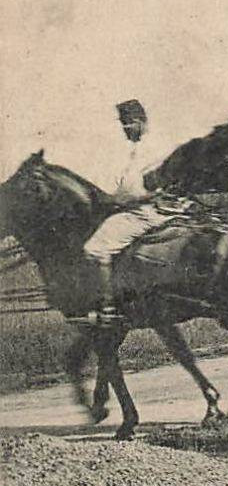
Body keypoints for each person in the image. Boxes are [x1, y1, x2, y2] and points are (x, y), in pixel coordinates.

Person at [77, 100, 168, 324]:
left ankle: (109, 307)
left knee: (95, 248)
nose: (124, 130)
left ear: (138, 122)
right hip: (145, 207)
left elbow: (138, 188)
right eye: (123, 125)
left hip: (144, 211)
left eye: (126, 125)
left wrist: (116, 201)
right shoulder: (143, 147)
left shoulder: (149, 148)